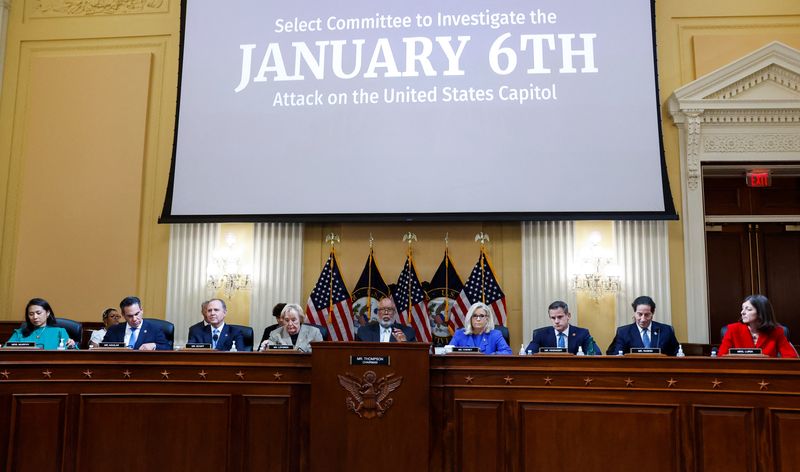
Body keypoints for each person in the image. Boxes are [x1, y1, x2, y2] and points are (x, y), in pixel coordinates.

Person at [718, 294, 798, 358]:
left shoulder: (776, 331)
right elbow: (721, 357)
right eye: (742, 308)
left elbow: (790, 359)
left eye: (748, 309)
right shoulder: (733, 329)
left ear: (761, 313)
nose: (742, 312)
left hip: (767, 375)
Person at [607, 296, 680, 356]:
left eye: (647, 315)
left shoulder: (666, 330)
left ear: (652, 313)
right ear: (634, 313)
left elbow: (676, 354)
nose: (643, 319)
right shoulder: (623, 332)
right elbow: (615, 354)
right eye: (639, 314)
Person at [526, 301, 601, 355]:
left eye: (560, 317)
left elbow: (596, 353)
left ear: (568, 316)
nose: (556, 321)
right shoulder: (541, 334)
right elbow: (528, 353)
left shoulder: (582, 333)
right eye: (553, 318)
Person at [102, 296, 171, 350]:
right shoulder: (113, 330)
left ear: (141, 310)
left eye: (137, 314)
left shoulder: (154, 329)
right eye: (130, 316)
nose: (134, 319)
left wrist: (154, 346)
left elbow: (168, 348)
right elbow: (102, 349)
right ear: (123, 315)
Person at [6, 298, 77, 349]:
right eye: (31, 314)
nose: (35, 317)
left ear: (48, 313)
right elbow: (5, 351)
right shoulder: (19, 333)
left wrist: (72, 345)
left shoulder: (59, 332)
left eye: (38, 313)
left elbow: (71, 355)